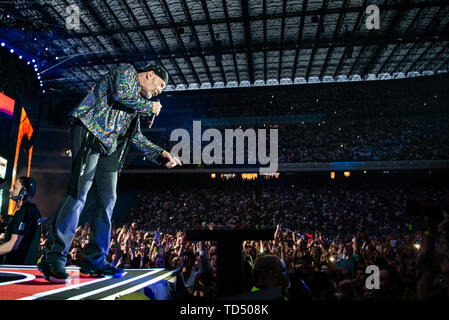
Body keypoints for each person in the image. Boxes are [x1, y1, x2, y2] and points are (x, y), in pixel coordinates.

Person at [38, 63, 182, 284]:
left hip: (111, 148)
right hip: (90, 130)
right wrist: (148, 107)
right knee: (79, 192)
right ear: (149, 75)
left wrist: (162, 154)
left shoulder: (137, 105)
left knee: (108, 199)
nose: (160, 91)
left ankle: (95, 259)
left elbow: (135, 137)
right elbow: (121, 94)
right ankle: (53, 256)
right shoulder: (126, 72)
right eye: (160, 85)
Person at [0, 176, 41, 265]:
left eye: (14, 188)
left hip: (18, 268)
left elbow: (13, 244)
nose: (10, 190)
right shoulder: (30, 210)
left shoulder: (25, 211)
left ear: (24, 192)